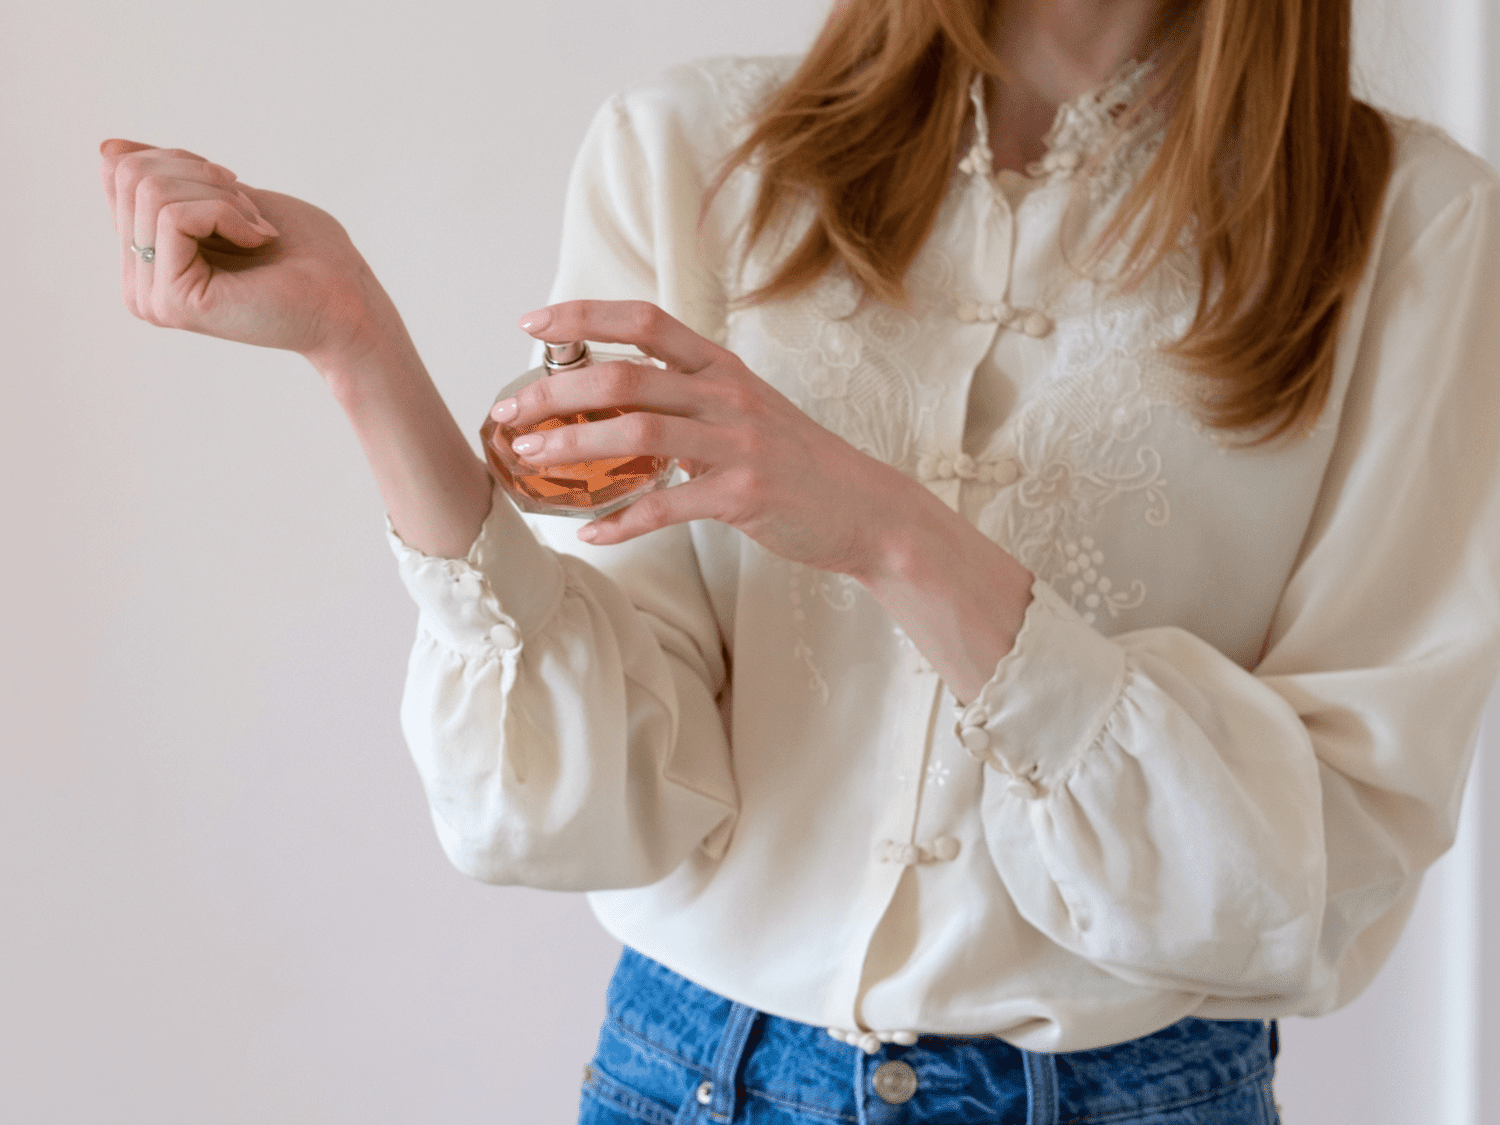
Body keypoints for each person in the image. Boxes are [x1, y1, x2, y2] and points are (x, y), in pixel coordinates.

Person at [99, 0, 1500, 1121]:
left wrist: (892, 534)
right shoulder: (694, 156)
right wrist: (360, 350)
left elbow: (1331, 858)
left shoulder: (1415, 230)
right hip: (689, 1077)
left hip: (1127, 1095)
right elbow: (591, 804)